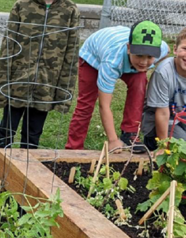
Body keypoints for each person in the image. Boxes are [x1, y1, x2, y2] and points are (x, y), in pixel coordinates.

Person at [0, 0, 80, 151]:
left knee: (33, 134)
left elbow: (71, 54)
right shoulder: (22, 6)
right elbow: (7, 48)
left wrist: (64, 92)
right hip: (17, 83)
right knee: (6, 129)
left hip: (46, 86)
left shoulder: (70, 11)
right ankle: (1, 164)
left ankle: (27, 167)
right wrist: (2, 84)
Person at [64, 21, 169, 153]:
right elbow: (104, 105)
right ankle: (74, 147)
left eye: (149, 57)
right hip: (93, 56)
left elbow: (167, 51)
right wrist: (112, 140)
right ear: (129, 48)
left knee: (140, 81)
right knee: (86, 103)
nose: (143, 61)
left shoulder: (162, 49)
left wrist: (149, 66)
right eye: (139, 55)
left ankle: (129, 134)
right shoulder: (112, 62)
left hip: (123, 55)